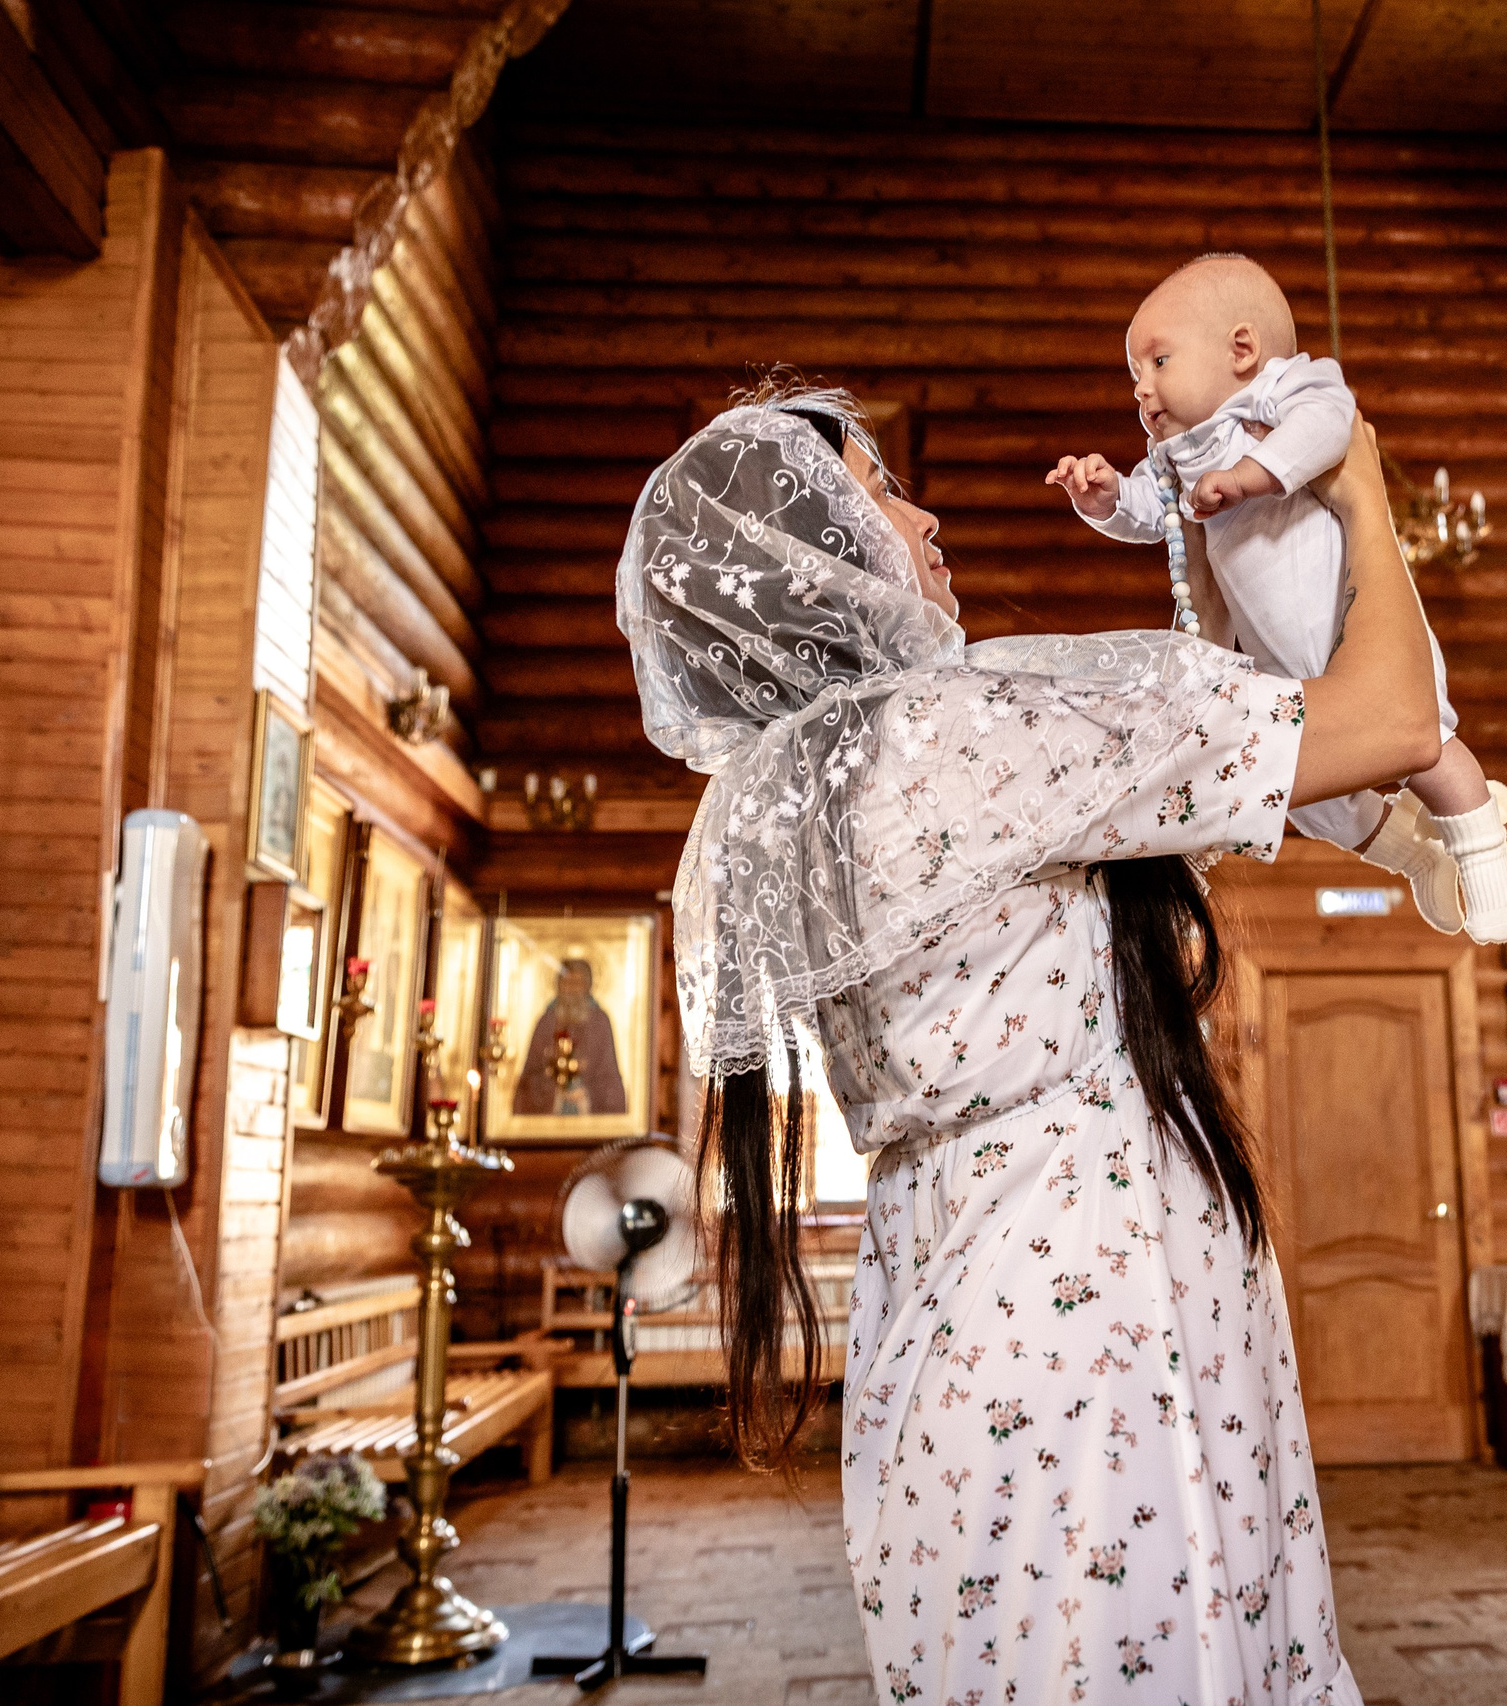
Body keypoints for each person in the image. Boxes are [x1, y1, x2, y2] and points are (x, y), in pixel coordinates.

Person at [619, 376, 1446, 1705]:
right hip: (1095, 1298)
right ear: (808, 550)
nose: (925, 510)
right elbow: (1399, 722)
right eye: (879, 488)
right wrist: (1352, 480)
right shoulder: (973, 730)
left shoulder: (768, 810)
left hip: (944, 1301)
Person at [1045, 253, 1507, 945]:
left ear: (1243, 350)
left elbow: (1330, 429)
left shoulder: (1284, 390)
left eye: (1157, 362)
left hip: (1346, 618)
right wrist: (1105, 499)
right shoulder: (1179, 452)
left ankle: (1485, 858)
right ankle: (1415, 854)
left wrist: (1253, 475)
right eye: (1133, 376)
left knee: (1429, 746)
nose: (1141, 389)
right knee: (1312, 796)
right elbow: (1154, 512)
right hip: (1278, 664)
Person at [512, 957, 628, 1117]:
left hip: (588, 1110)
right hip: (549, 1115)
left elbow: (609, 1076)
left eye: (578, 983)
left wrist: (586, 1093)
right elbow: (531, 1076)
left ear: (588, 986)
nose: (572, 990)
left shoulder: (600, 1021)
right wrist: (556, 1093)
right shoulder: (547, 1022)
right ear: (558, 986)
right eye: (567, 983)